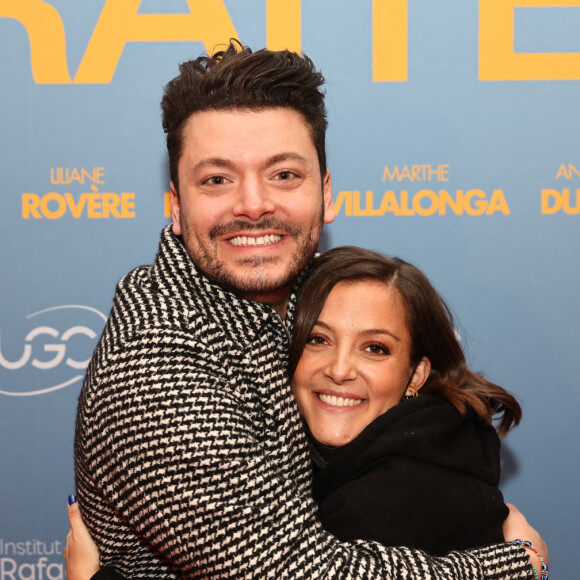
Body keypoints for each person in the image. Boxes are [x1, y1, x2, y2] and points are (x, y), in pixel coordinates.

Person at [73, 40, 544, 578]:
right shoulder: (155, 357)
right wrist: (512, 568)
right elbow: (293, 571)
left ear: (325, 192)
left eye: (284, 175)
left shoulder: (323, 298)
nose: (253, 205)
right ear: (177, 206)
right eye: (216, 179)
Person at [67, 247, 548, 578]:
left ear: (416, 375)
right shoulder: (413, 450)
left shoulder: (396, 494)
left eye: (375, 349)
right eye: (318, 340)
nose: (339, 370)